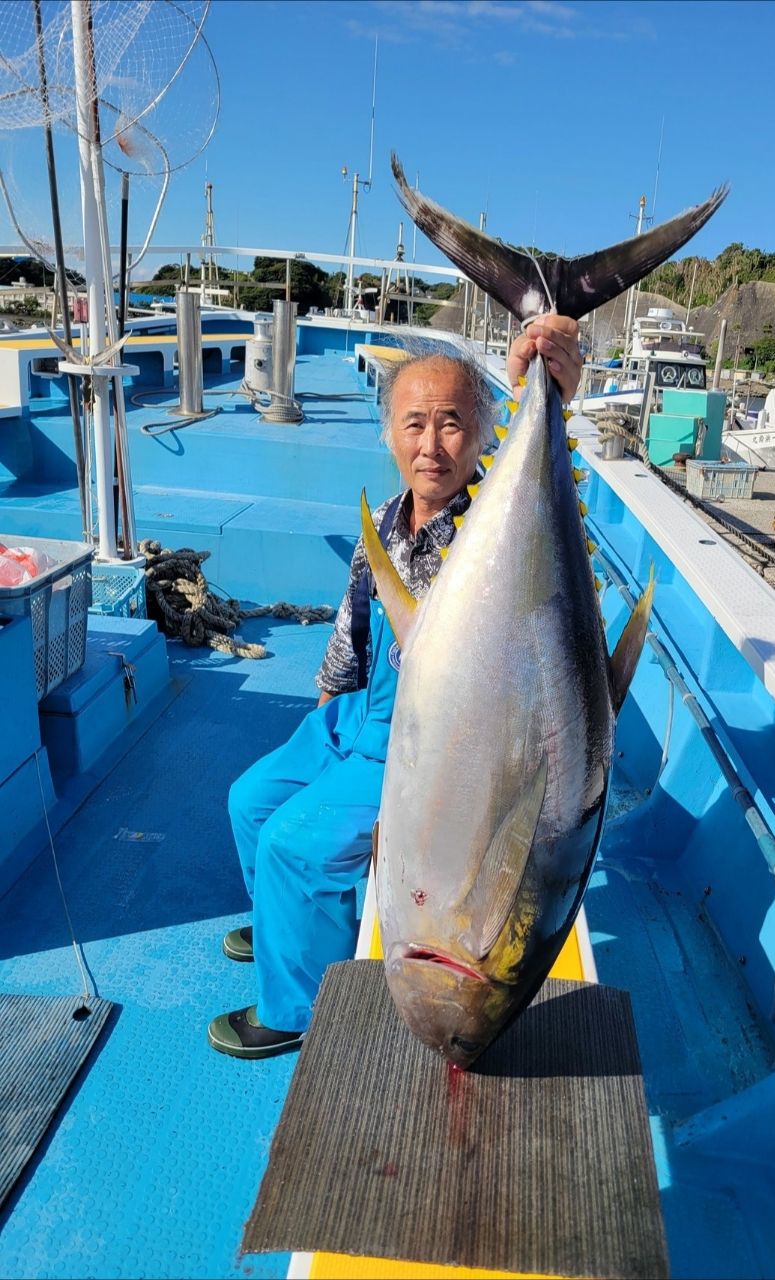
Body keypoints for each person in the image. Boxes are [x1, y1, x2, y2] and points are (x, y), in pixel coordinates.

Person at [208, 318, 584, 1058]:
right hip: (357, 714)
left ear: (482, 439)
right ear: (387, 433)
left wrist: (546, 388)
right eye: (414, 423)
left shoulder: (487, 524)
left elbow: (543, 531)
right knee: (251, 800)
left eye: (453, 425)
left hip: (430, 736)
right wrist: (326, 708)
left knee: (295, 844)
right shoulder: (385, 519)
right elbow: (353, 621)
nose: (431, 444)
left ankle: (298, 1007)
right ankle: (288, 920)